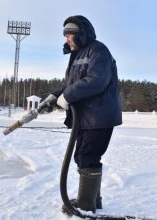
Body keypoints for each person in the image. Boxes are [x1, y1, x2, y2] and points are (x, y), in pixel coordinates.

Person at [37, 15, 122, 214]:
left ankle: (86, 204)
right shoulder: (78, 54)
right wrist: (54, 96)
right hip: (85, 118)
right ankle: (92, 200)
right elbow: (72, 86)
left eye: (69, 35)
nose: (66, 39)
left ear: (79, 33)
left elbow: (96, 80)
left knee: (87, 156)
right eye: (65, 36)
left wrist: (67, 96)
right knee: (83, 157)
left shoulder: (98, 50)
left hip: (98, 116)